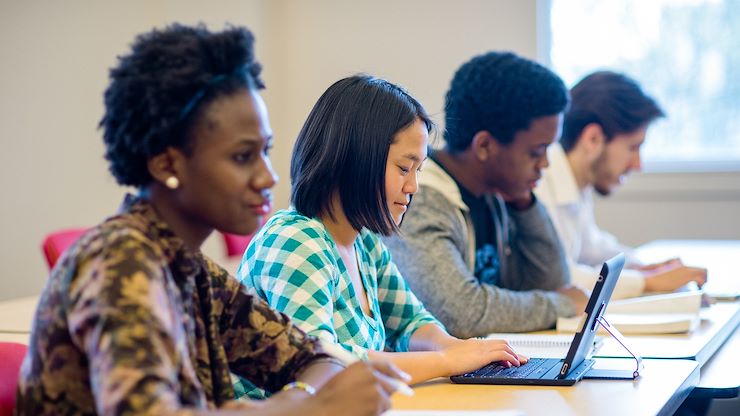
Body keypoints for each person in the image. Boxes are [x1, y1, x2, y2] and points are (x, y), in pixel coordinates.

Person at [16, 24, 408, 416]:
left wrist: (302, 398)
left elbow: (315, 356)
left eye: (266, 151)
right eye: (243, 157)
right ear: (167, 163)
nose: (268, 176)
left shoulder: (190, 268)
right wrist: (306, 407)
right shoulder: (120, 263)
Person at [239, 75, 527, 386]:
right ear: (354, 159)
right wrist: (445, 361)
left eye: (418, 170)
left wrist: (459, 349)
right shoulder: (295, 241)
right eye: (404, 168)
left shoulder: (364, 241)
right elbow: (319, 363)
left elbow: (409, 322)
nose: (413, 186)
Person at [383, 51, 589, 338]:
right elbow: (461, 314)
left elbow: (551, 281)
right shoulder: (421, 198)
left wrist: (525, 204)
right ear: (484, 146)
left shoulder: (495, 194)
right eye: (535, 152)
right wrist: (562, 305)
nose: (544, 164)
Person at [535, 71, 708, 299]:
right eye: (633, 147)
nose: (638, 165)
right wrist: (647, 283)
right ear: (593, 138)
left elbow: (595, 249)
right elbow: (561, 279)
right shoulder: (539, 182)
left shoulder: (576, 185)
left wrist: (647, 268)